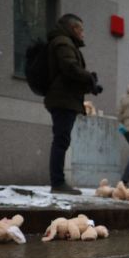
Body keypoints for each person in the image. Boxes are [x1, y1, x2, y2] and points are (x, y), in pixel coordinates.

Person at [44, 13, 101, 194]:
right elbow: (69, 68)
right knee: (61, 140)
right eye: (81, 29)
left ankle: (58, 182)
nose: (83, 34)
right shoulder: (63, 42)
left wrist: (90, 85)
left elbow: (69, 75)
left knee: (62, 139)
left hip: (64, 98)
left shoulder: (64, 42)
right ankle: (58, 183)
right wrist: (89, 78)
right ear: (73, 28)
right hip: (63, 99)